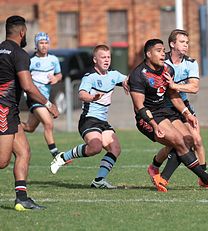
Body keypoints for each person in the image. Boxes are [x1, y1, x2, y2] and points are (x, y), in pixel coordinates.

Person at [128, 38, 208, 192]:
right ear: (148, 54)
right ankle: (206, 179)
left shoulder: (167, 70)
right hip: (148, 117)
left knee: (189, 140)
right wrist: (154, 125)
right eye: (158, 51)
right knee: (179, 141)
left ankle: (162, 178)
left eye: (163, 51)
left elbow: (173, 95)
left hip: (166, 111)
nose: (162, 54)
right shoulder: (138, 75)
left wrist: (186, 113)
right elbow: (139, 106)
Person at [0, 15, 59, 211]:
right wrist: (49, 104)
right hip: (4, 110)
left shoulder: (1, 49)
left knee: (24, 152)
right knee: (2, 161)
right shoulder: (19, 53)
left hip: (11, 111)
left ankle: (22, 198)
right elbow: (28, 86)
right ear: (22, 32)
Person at [50, 44, 128, 189]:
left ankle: (99, 180)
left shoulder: (114, 75)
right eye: (103, 57)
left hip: (103, 122)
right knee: (96, 147)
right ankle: (62, 157)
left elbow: (129, 80)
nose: (106, 60)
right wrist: (92, 97)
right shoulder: (90, 77)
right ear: (94, 60)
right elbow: (81, 94)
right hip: (88, 120)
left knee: (115, 148)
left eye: (108, 57)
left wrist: (129, 82)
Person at [147, 29, 207, 186]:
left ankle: (203, 177)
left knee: (196, 140)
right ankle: (156, 169)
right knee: (176, 144)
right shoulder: (161, 61)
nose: (186, 45)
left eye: (187, 42)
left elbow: (194, 87)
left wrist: (174, 85)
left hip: (183, 105)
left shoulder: (191, 63)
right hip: (164, 107)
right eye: (182, 42)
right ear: (172, 44)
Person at [21, 32, 64, 159]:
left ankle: (8, 124)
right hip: (34, 97)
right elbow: (24, 78)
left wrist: (56, 78)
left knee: (29, 127)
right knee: (48, 123)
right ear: (36, 45)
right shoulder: (31, 61)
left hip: (45, 97)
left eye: (46, 43)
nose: (44, 46)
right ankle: (56, 155)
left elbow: (59, 74)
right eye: (41, 43)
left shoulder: (54, 60)